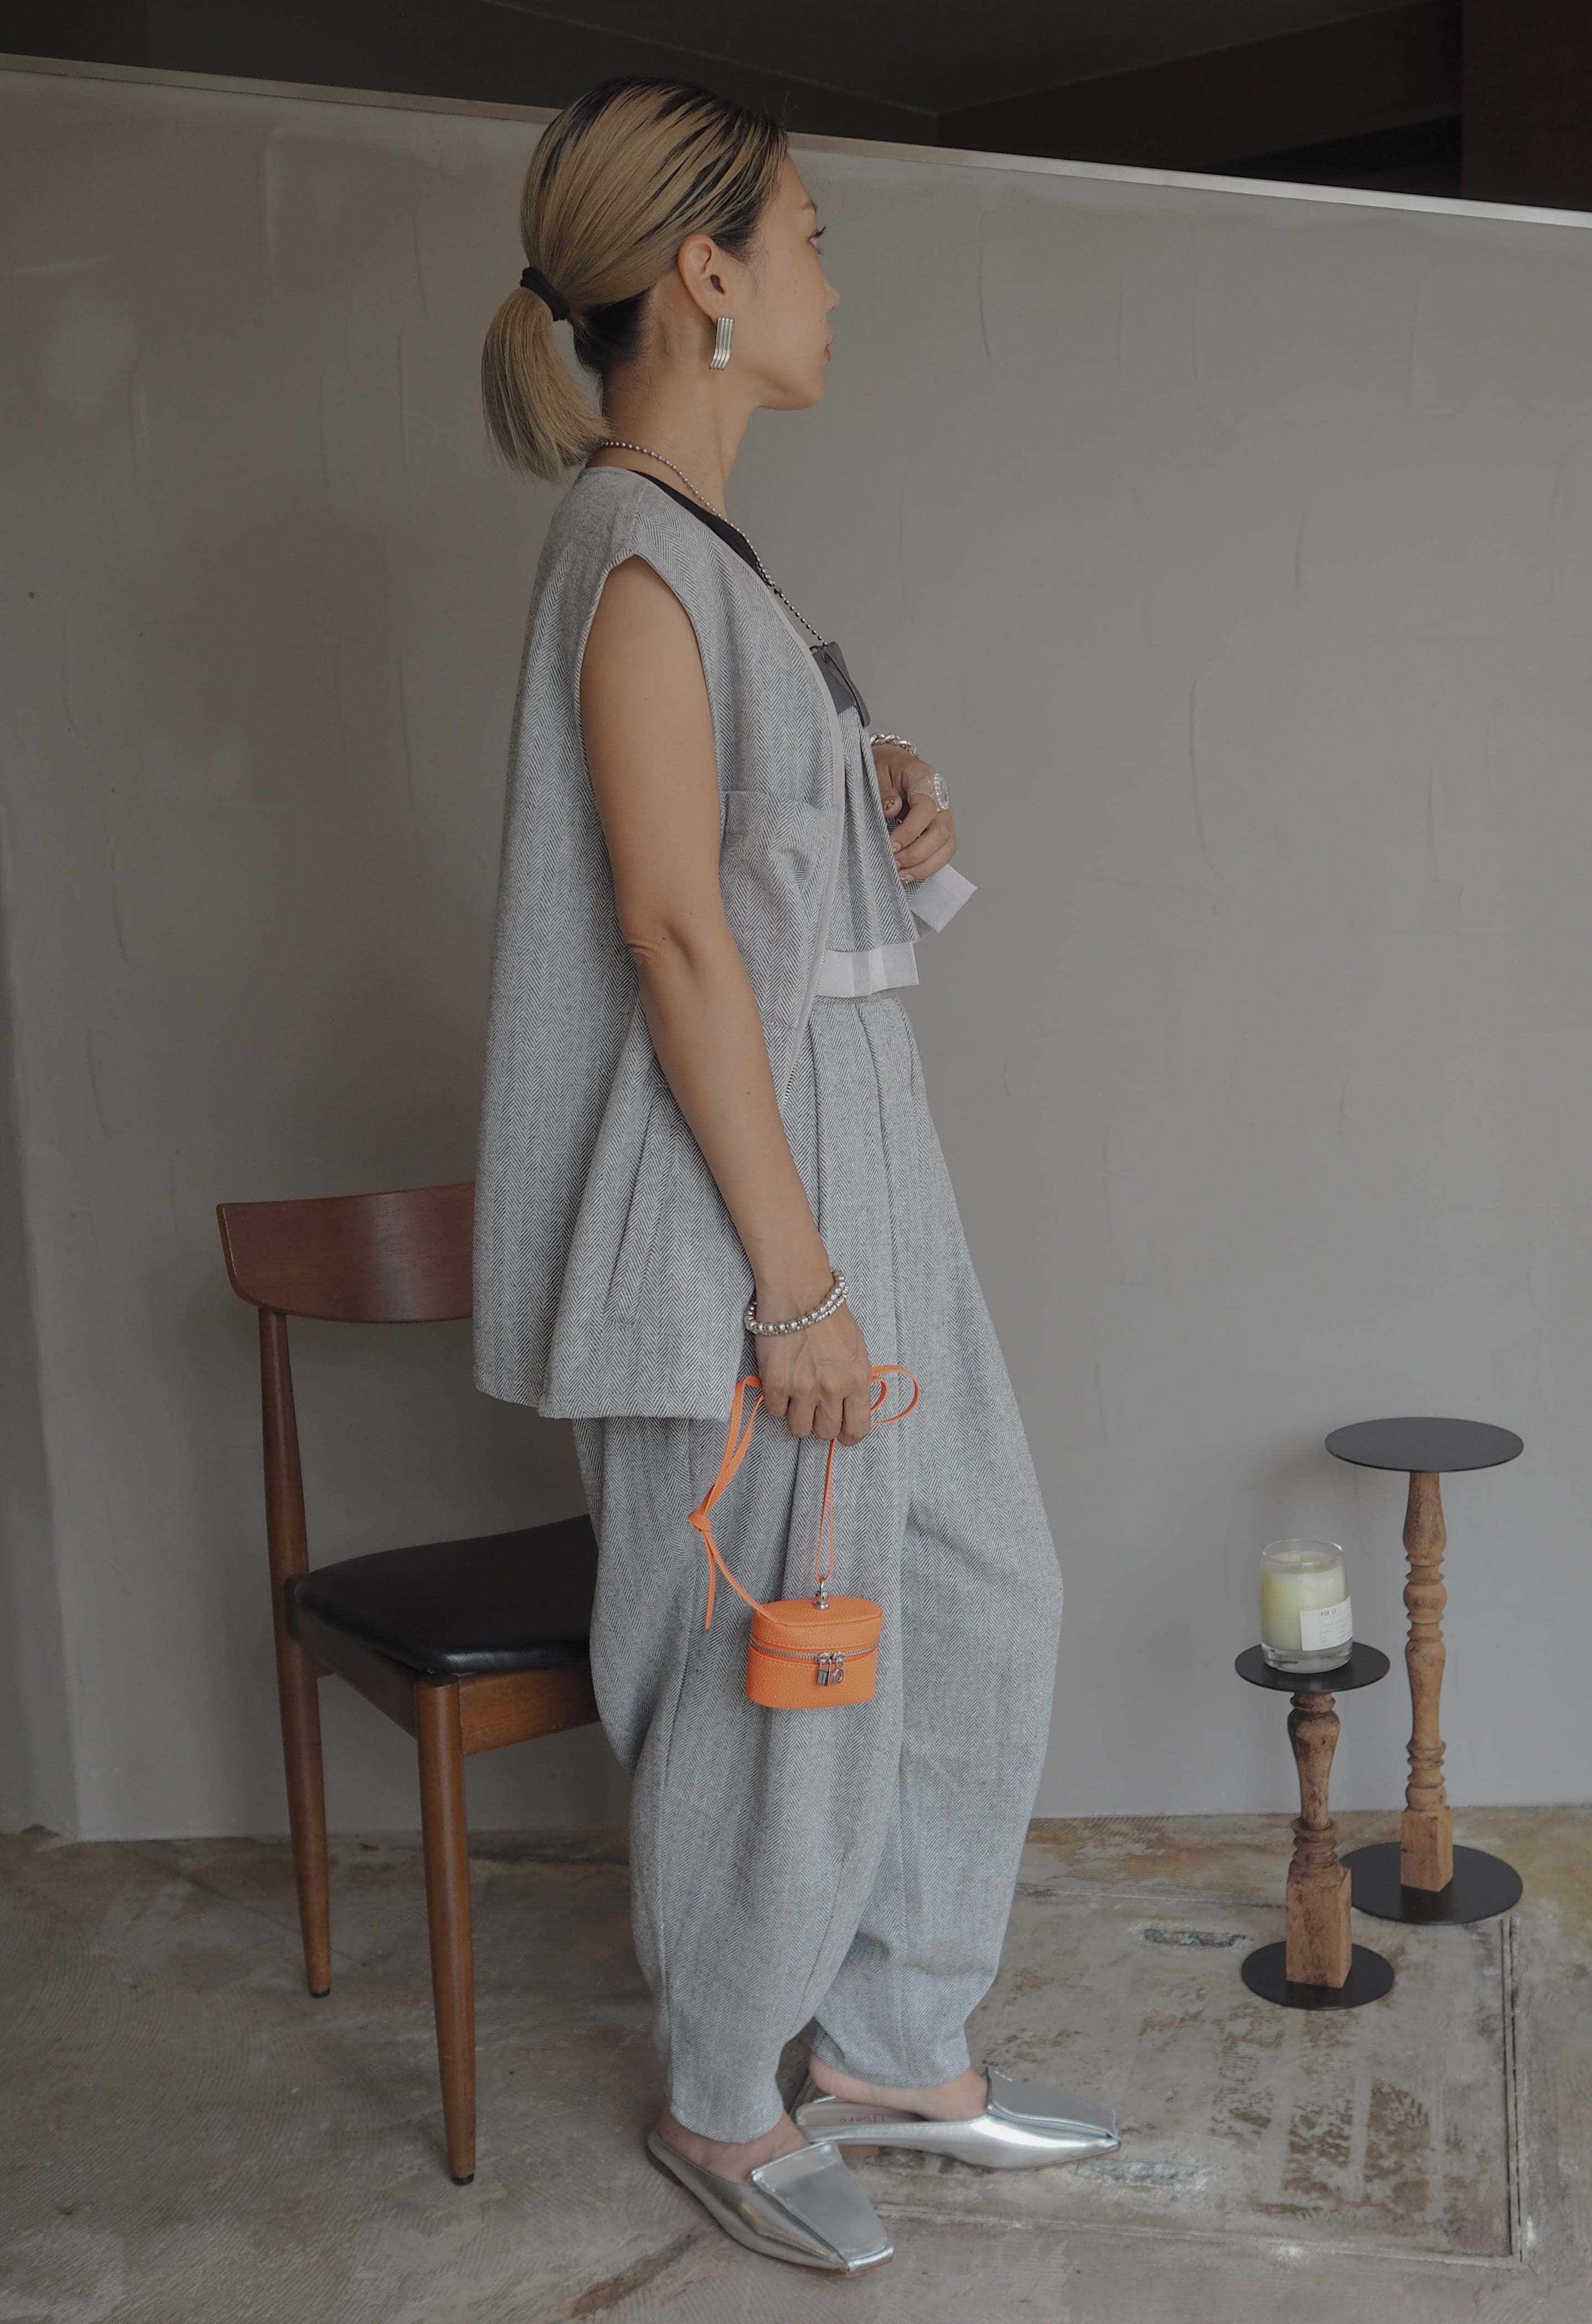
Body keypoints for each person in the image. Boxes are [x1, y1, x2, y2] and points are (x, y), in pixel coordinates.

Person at [476, 77, 1115, 2273]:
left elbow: (749, 873)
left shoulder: (709, 561)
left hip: (864, 1163)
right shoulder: (634, 562)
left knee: (979, 1587)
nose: (836, 278)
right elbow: (671, 939)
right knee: (784, 1667)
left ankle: (894, 2041)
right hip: (745, 1215)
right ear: (707, 277)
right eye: (812, 236)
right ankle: (730, 2091)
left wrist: (878, 781)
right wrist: (793, 1288)